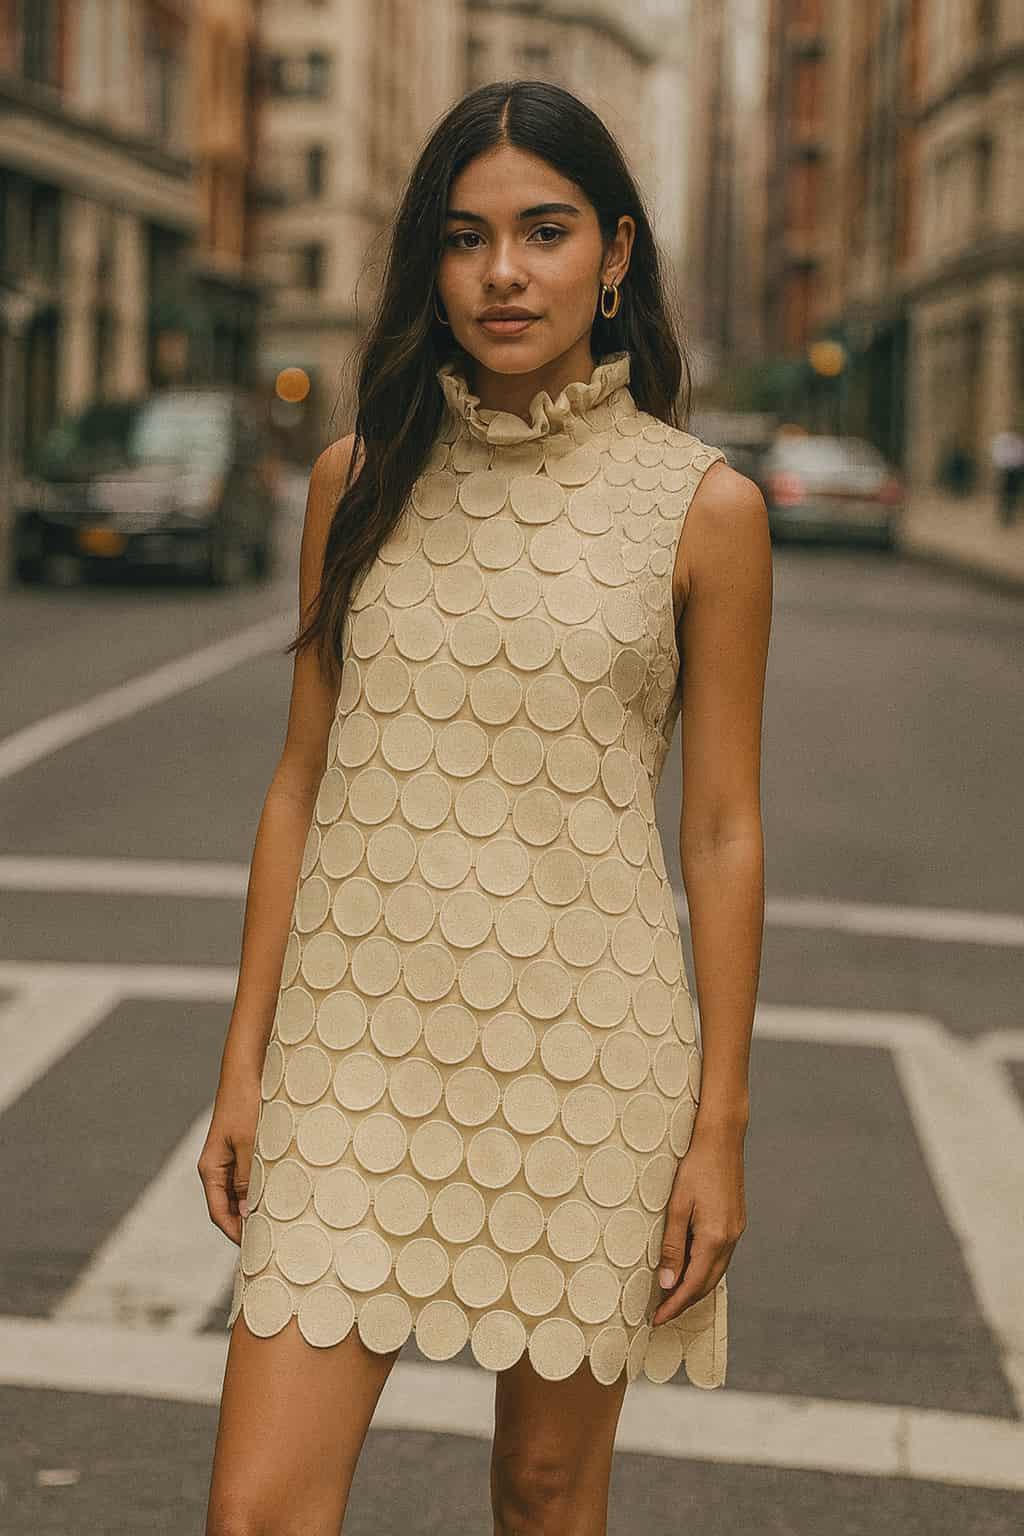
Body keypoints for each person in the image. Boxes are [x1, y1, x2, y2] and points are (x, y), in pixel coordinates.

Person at [199, 78, 771, 1535]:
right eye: (465, 238)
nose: (503, 272)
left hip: (591, 1055)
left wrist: (718, 1129)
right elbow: (300, 782)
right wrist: (245, 1057)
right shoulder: (358, 479)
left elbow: (721, 831)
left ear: (618, 255)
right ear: (428, 264)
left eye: (546, 230)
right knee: (260, 1510)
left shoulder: (706, 510)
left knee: (540, 1494)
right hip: (352, 1054)